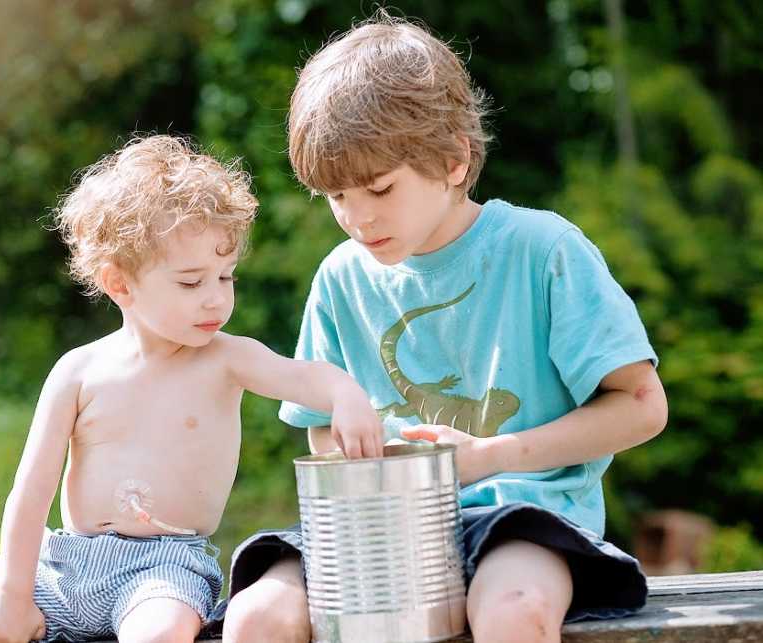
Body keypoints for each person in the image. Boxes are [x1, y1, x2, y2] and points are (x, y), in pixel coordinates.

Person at [222, 14, 668, 643]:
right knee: (255, 617)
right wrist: (367, 462)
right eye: (337, 197)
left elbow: (643, 407)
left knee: (512, 610)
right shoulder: (340, 277)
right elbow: (320, 431)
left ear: (454, 160)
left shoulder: (542, 250)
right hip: (374, 524)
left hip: (520, 518)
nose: (356, 218)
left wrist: (489, 458)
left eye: (379, 188)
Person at [0, 134, 384, 643]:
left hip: (161, 571)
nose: (215, 300)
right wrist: (14, 598)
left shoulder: (226, 358)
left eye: (226, 277)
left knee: (158, 634)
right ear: (120, 285)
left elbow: (304, 376)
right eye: (190, 282)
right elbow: (30, 493)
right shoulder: (79, 371)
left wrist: (346, 396)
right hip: (64, 562)